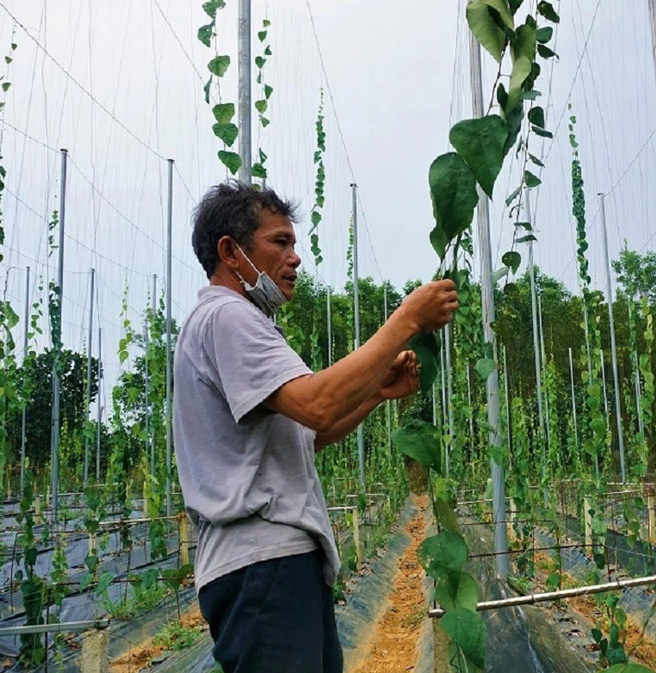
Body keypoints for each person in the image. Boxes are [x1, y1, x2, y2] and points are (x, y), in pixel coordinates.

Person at [174, 181, 458, 673]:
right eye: (279, 242)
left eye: (294, 244)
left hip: (273, 563)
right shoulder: (227, 317)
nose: (295, 258)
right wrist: (407, 319)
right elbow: (318, 404)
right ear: (230, 251)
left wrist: (373, 393)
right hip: (262, 563)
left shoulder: (243, 322)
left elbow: (309, 435)